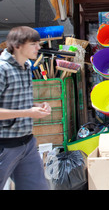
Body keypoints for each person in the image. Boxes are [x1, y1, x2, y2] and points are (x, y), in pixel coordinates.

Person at [0, 26, 51, 190]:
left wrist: (37, 106)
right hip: (4, 145)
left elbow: (16, 102)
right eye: (33, 44)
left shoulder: (26, 67)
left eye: (38, 43)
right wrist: (28, 112)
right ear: (17, 46)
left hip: (27, 143)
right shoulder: (2, 69)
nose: (38, 47)